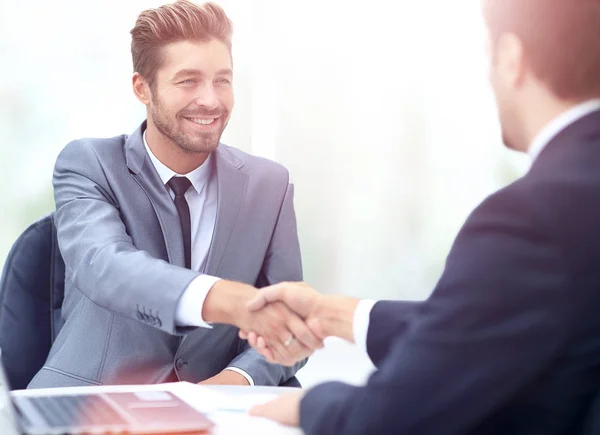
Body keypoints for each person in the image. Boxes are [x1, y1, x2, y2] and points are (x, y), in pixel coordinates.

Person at [243, 0, 600, 433]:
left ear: (511, 59)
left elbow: (391, 419)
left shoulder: (533, 215)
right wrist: (335, 314)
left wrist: (307, 405)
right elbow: (490, 324)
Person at [28, 0, 322, 389]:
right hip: (91, 405)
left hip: (217, 412)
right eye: (188, 81)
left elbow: (290, 329)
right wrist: (227, 300)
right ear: (142, 88)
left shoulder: (270, 186)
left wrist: (236, 379)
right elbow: (104, 267)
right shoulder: (89, 163)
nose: (211, 100)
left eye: (222, 80)